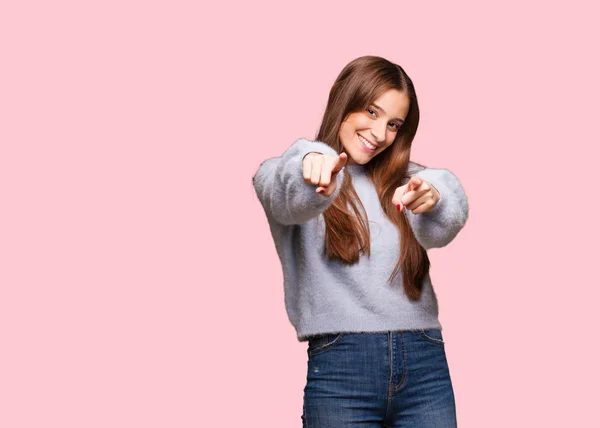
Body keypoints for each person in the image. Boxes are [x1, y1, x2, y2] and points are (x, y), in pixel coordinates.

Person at [251, 55, 469, 428]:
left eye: (394, 124)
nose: (380, 133)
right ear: (343, 98)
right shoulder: (288, 170)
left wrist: (437, 195)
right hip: (341, 368)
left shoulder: (408, 183)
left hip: (425, 364)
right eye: (371, 111)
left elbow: (445, 211)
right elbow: (287, 192)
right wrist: (313, 160)